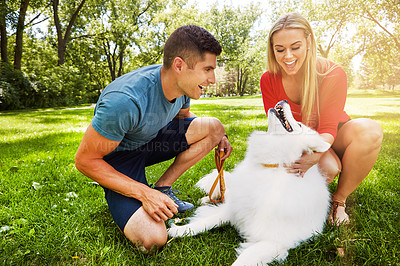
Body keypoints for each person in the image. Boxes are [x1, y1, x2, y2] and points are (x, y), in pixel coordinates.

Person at [75, 25, 233, 253]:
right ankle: (146, 192)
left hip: (152, 140)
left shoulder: (181, 88)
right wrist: (142, 192)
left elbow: (183, 118)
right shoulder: (124, 101)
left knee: (214, 127)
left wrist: (219, 136)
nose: (213, 79)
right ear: (179, 65)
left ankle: (162, 188)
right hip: (118, 159)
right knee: (152, 240)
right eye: (207, 69)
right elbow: (85, 161)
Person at [260, 13, 383, 225]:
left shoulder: (332, 73)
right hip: (300, 140)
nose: (287, 56)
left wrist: (316, 156)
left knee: (369, 130)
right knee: (329, 168)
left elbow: (327, 127)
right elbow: (278, 129)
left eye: (295, 47)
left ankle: (339, 201)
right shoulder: (268, 79)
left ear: (308, 42)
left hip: (333, 135)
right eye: (279, 49)